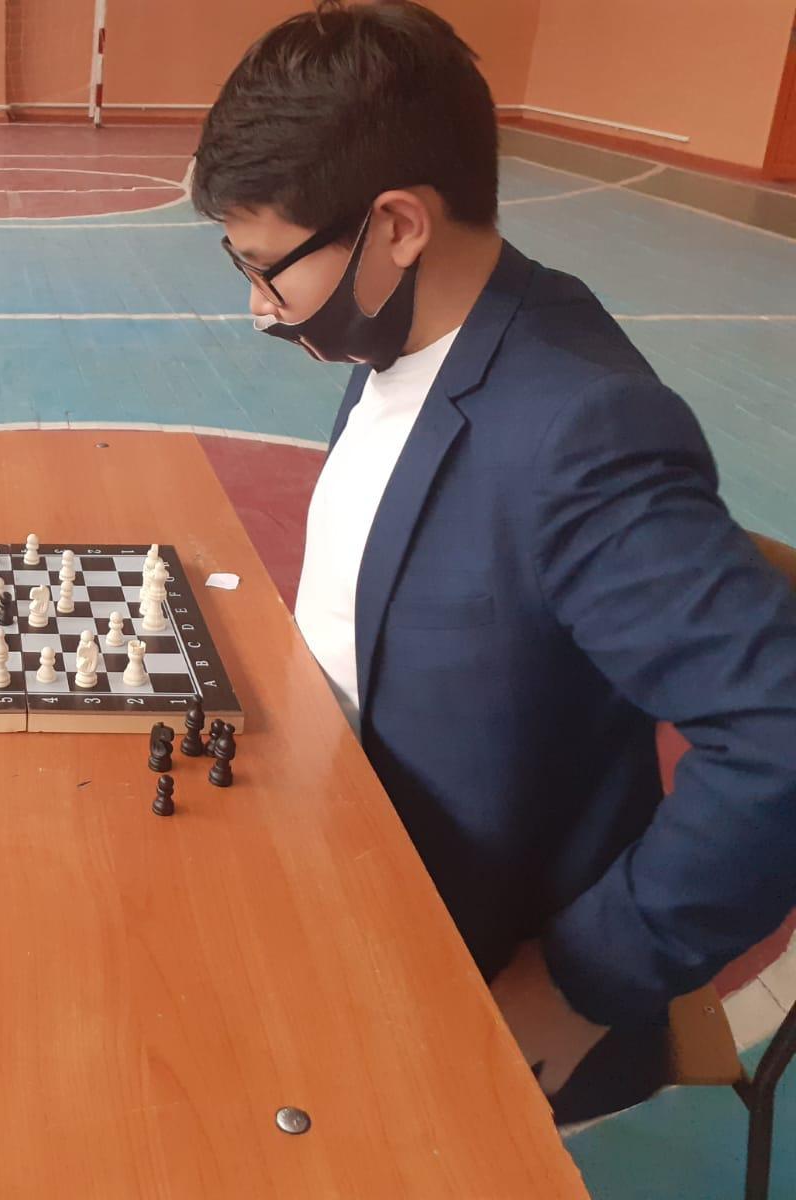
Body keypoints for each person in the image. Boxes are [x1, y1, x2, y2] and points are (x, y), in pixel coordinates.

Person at [193, 1, 796, 1122]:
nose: (259, 309)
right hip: (338, 844)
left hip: (460, 963)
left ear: (397, 226)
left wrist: (582, 980)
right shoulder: (416, 332)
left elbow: (782, 734)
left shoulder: (580, 432)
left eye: (271, 270)